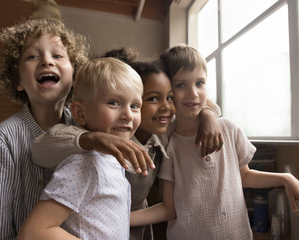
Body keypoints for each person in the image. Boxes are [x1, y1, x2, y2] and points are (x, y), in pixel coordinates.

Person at [0, 19, 151, 239]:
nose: (46, 62)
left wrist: (208, 113)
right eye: (32, 56)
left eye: (58, 55)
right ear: (17, 80)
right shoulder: (4, 138)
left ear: (74, 74)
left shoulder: (92, 124)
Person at [30, 48, 223, 240]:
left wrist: (209, 115)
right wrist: (93, 139)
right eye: (153, 98)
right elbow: (42, 148)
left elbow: (195, 103)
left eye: (134, 105)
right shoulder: (87, 159)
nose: (128, 114)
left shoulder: (161, 131)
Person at [130, 44, 299, 240]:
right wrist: (122, 218)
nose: (193, 93)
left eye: (200, 83)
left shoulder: (228, 129)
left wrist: (285, 178)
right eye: (181, 85)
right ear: (168, 88)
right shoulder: (170, 142)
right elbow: (169, 208)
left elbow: (244, 176)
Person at [17, 57, 143, 239]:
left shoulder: (109, 161)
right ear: (80, 113)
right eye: (114, 103)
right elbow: (33, 232)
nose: (128, 115)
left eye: (135, 106)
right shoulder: (83, 165)